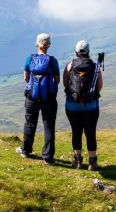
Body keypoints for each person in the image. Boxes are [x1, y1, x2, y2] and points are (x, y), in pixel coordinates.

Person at [16, 33, 60, 165]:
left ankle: (26, 150)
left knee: (30, 122)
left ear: (37, 45)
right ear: (49, 45)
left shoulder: (30, 59)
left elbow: (26, 78)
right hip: (49, 99)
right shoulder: (53, 61)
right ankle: (48, 156)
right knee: (49, 126)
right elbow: (57, 80)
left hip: (32, 97)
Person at [63, 40, 103, 171]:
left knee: (76, 132)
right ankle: (93, 163)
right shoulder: (96, 67)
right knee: (90, 133)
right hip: (90, 107)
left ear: (76, 52)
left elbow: (65, 85)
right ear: (88, 52)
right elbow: (99, 87)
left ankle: (78, 161)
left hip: (72, 106)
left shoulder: (69, 66)